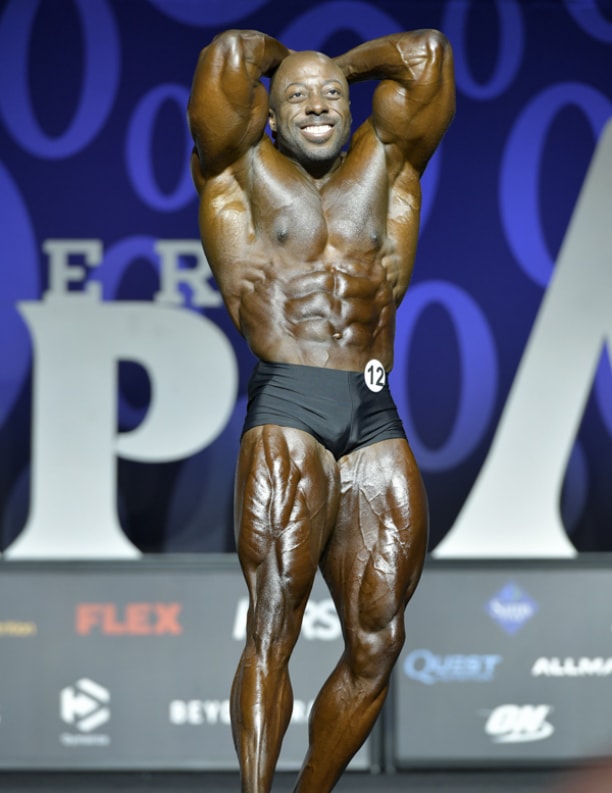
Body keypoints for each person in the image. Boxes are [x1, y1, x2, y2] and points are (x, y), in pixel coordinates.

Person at [187, 26, 455, 793]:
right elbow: (233, 55)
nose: (317, 105)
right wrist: (291, 62)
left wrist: (337, 65)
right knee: (274, 625)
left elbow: (427, 54)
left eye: (332, 97)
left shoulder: (389, 164)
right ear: (268, 114)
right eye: (298, 96)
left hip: (373, 411)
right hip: (291, 403)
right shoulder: (237, 169)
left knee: (379, 638)